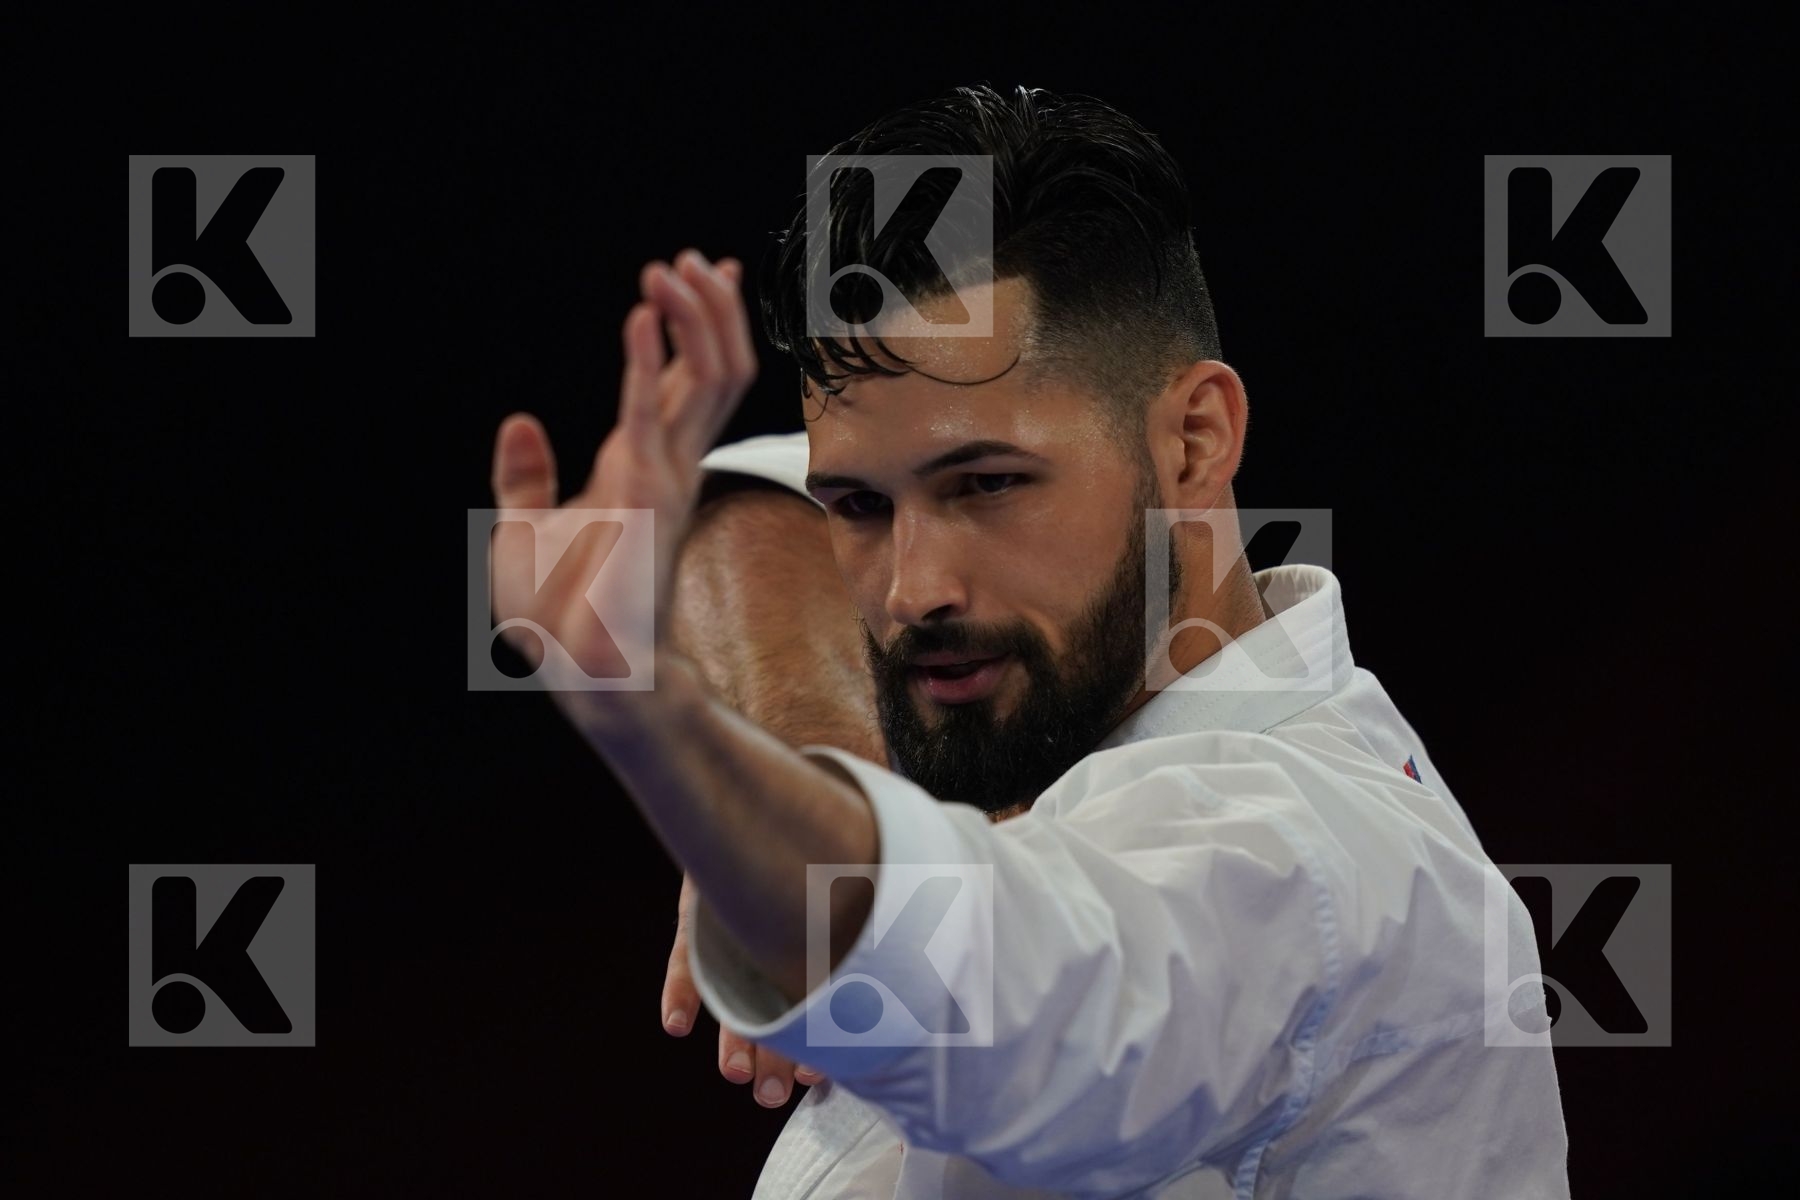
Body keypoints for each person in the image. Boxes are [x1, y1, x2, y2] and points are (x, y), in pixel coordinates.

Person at [489, 84, 1571, 1198]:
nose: (914, 589)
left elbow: (1014, 1003)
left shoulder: (1305, 867)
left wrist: (680, 747)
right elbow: (753, 508)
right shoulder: (1066, 697)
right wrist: (822, 763)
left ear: (1197, 440)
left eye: (989, 485)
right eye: (862, 505)